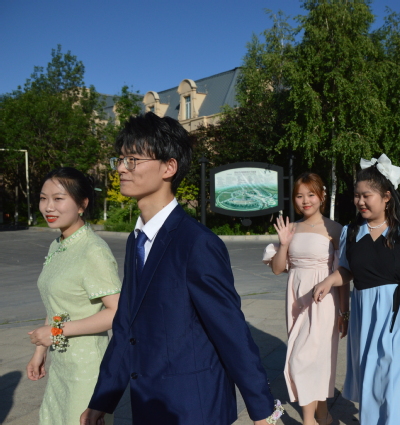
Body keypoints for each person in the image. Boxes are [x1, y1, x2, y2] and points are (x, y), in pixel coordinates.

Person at [81, 113, 279, 425]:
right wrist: (102, 399)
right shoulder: (136, 241)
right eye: (120, 159)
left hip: (194, 407)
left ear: (168, 167)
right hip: (150, 405)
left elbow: (230, 331)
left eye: (132, 159)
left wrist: (262, 409)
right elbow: (125, 327)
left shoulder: (196, 242)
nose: (121, 168)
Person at [312, 154, 400, 425]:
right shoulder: (351, 232)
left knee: (394, 382)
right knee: (371, 381)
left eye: (366, 196)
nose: (360, 201)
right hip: (366, 317)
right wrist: (329, 281)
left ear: (387, 196)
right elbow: (347, 270)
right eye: (357, 196)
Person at [27, 167, 121, 425]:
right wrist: (40, 351)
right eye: (43, 198)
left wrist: (55, 332)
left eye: (58, 199)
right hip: (61, 365)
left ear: (82, 204)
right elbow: (56, 303)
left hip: (86, 369)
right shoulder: (58, 244)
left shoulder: (93, 250)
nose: (48, 207)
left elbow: (117, 313)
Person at [263, 172, 347, 425]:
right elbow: (277, 269)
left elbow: (343, 274)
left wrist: (344, 312)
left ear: (322, 196)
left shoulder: (335, 229)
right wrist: (284, 244)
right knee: (310, 359)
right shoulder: (291, 228)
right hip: (295, 299)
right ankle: (323, 415)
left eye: (311, 194)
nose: (305, 200)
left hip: (324, 301)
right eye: (299, 196)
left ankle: (309, 421)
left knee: (305, 359)